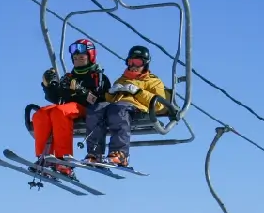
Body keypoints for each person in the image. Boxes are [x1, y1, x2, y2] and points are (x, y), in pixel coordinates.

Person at [33, 39, 111, 177]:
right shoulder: (69, 77)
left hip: (88, 110)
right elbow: (57, 98)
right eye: (75, 58)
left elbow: (100, 100)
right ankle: (44, 158)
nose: (78, 60)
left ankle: (64, 160)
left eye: (81, 57)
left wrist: (81, 90)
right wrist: (48, 85)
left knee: (59, 111)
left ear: (90, 57)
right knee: (41, 114)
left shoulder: (98, 77)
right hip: (68, 108)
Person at [84, 45, 169, 167]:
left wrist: (138, 92)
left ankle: (120, 153)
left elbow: (159, 105)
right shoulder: (121, 79)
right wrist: (110, 93)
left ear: (145, 64)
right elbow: (110, 100)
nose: (133, 65)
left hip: (136, 109)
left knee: (119, 110)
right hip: (116, 106)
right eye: (130, 61)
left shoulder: (154, 81)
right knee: (95, 109)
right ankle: (95, 153)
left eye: (138, 62)